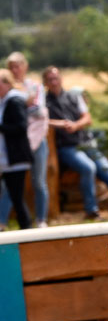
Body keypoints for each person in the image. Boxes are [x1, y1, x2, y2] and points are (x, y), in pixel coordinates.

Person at [43, 66, 108, 219]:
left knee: (107, 170)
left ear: (61, 79)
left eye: (56, 78)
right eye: (50, 79)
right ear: (45, 83)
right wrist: (60, 124)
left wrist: (75, 125)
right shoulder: (44, 101)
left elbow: (87, 118)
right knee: (88, 168)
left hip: (85, 143)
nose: (54, 82)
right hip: (66, 147)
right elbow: (41, 120)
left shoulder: (74, 96)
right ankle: (91, 211)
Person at [0, 52, 49, 229]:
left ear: (25, 66)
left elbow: (39, 109)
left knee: (39, 182)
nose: (15, 69)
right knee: (10, 185)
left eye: (17, 65)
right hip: (17, 144)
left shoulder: (33, 86)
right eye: (11, 66)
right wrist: (25, 102)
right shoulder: (9, 91)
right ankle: (2, 221)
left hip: (37, 139)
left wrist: (20, 105)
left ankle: (41, 219)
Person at [0, 69, 33, 230]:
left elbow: (21, 126)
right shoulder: (4, 101)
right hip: (8, 159)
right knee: (14, 196)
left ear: (7, 84)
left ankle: (26, 228)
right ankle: (24, 226)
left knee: (17, 196)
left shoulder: (14, 101)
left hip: (16, 158)